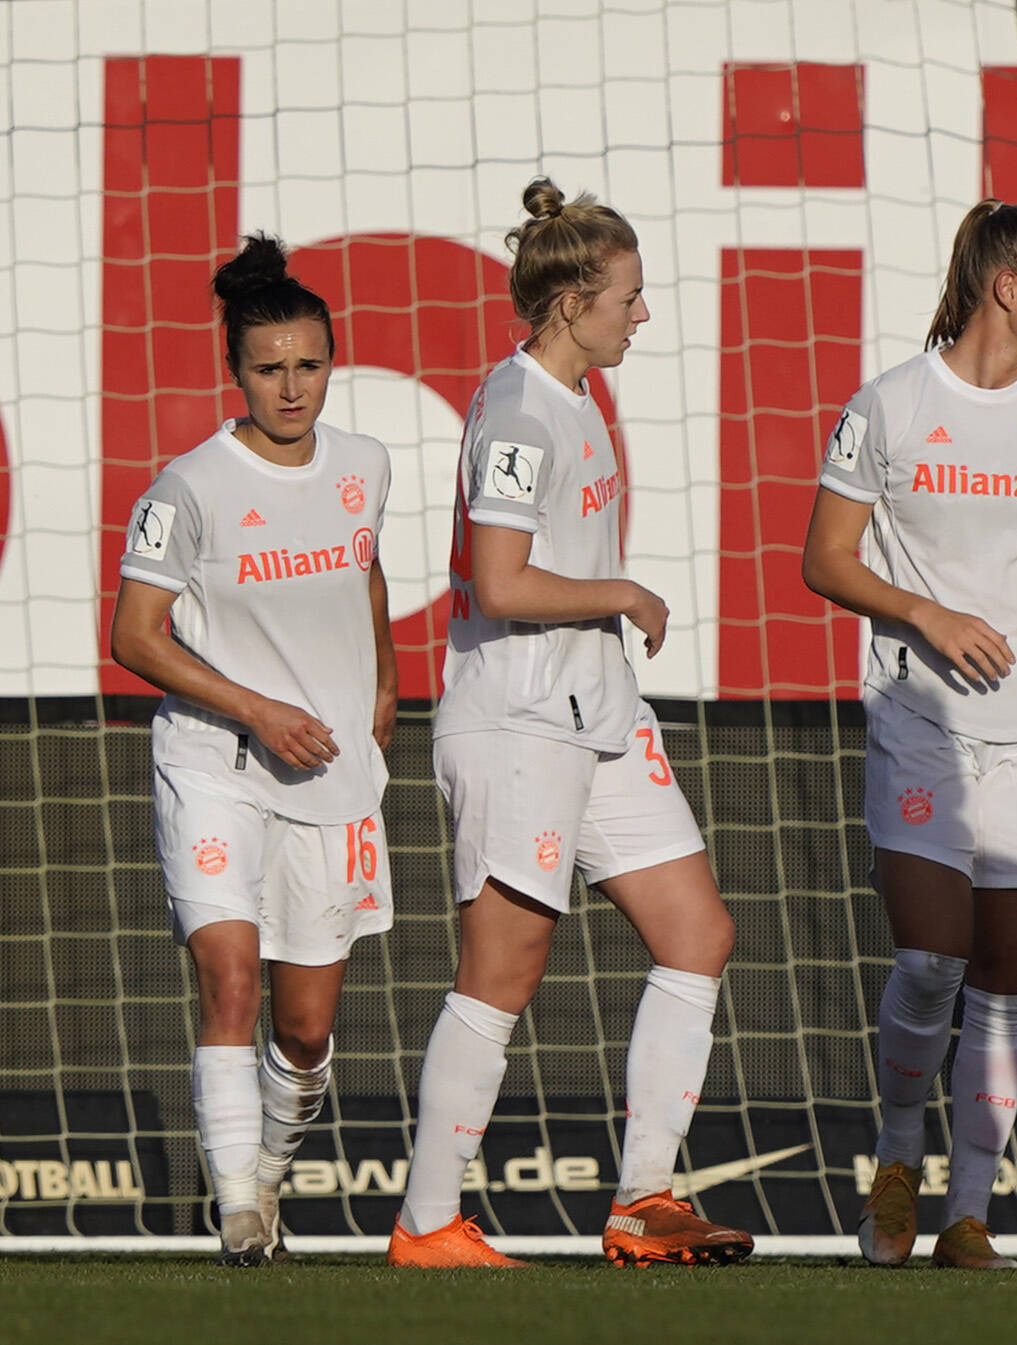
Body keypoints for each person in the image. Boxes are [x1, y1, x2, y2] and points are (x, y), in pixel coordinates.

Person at [390, 180, 749, 1269]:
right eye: (630, 297)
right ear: (571, 300)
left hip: (596, 717)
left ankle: (644, 1201)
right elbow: (498, 581)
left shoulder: (581, 398)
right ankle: (425, 1223)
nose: (643, 316)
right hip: (516, 722)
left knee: (699, 934)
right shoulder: (514, 411)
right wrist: (622, 594)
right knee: (504, 970)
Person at [800, 199, 1017, 1270]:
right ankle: (895, 1160)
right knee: (933, 957)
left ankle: (968, 1216)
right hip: (921, 720)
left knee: (1008, 976)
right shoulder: (889, 404)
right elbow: (824, 557)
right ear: (1005, 287)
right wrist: (925, 615)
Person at [112, 234, 396, 1265]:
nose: (292, 386)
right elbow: (133, 636)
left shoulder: (366, 465)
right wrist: (255, 708)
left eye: (310, 365)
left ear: (333, 359)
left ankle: (266, 1177)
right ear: (235, 369)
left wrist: (388, 684)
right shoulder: (186, 486)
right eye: (269, 367)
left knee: (308, 1030)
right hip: (214, 763)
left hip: (328, 776)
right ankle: (237, 1212)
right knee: (230, 978)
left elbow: (364, 575)